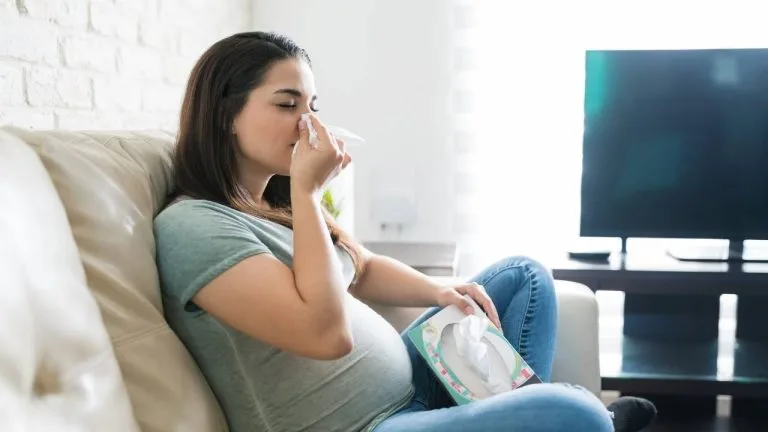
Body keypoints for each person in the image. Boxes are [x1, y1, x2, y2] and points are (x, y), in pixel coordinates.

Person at [153, 31, 656, 432]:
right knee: (580, 414)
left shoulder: (272, 205)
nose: (310, 126)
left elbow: (363, 267)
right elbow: (325, 335)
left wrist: (438, 291)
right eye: (288, 105)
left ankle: (531, 414)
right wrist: (308, 193)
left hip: (413, 386)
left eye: (314, 107)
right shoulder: (193, 225)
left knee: (521, 275)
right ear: (225, 117)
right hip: (365, 424)